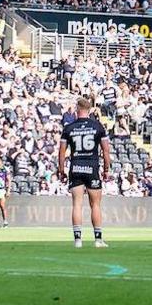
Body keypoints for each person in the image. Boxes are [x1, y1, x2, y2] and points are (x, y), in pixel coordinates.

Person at [59, 98, 110, 248]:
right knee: (95, 205)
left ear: (77, 109)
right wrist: (106, 170)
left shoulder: (69, 128)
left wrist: (61, 170)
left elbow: (62, 152)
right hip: (92, 167)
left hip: (75, 167)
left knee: (77, 204)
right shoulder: (97, 126)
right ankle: (98, 240)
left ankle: (78, 240)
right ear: (89, 110)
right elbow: (106, 151)